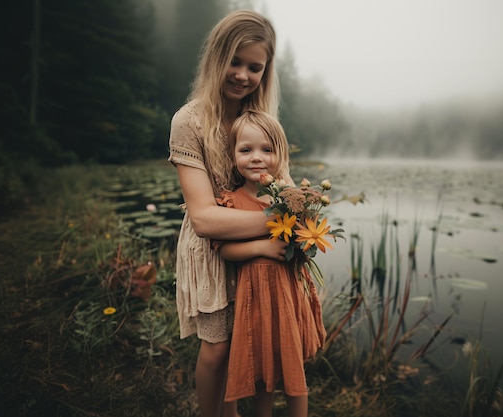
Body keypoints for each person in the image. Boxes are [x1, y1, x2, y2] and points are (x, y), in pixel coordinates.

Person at [167, 10, 289, 417]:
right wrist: (285, 223)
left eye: (255, 67)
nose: (242, 75)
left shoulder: (260, 123)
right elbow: (204, 219)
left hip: (259, 251)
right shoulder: (189, 122)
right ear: (216, 58)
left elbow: (282, 182)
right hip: (211, 248)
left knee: (247, 343)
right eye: (235, 62)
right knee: (218, 347)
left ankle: (232, 412)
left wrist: (297, 207)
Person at [213, 110, 326, 417]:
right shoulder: (232, 202)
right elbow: (224, 250)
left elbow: (305, 242)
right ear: (233, 154)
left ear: (280, 154)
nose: (256, 158)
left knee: (291, 364)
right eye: (246, 150)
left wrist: (305, 235)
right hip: (257, 296)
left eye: (267, 150)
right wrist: (262, 246)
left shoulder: (290, 199)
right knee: (263, 368)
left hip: (288, 295)